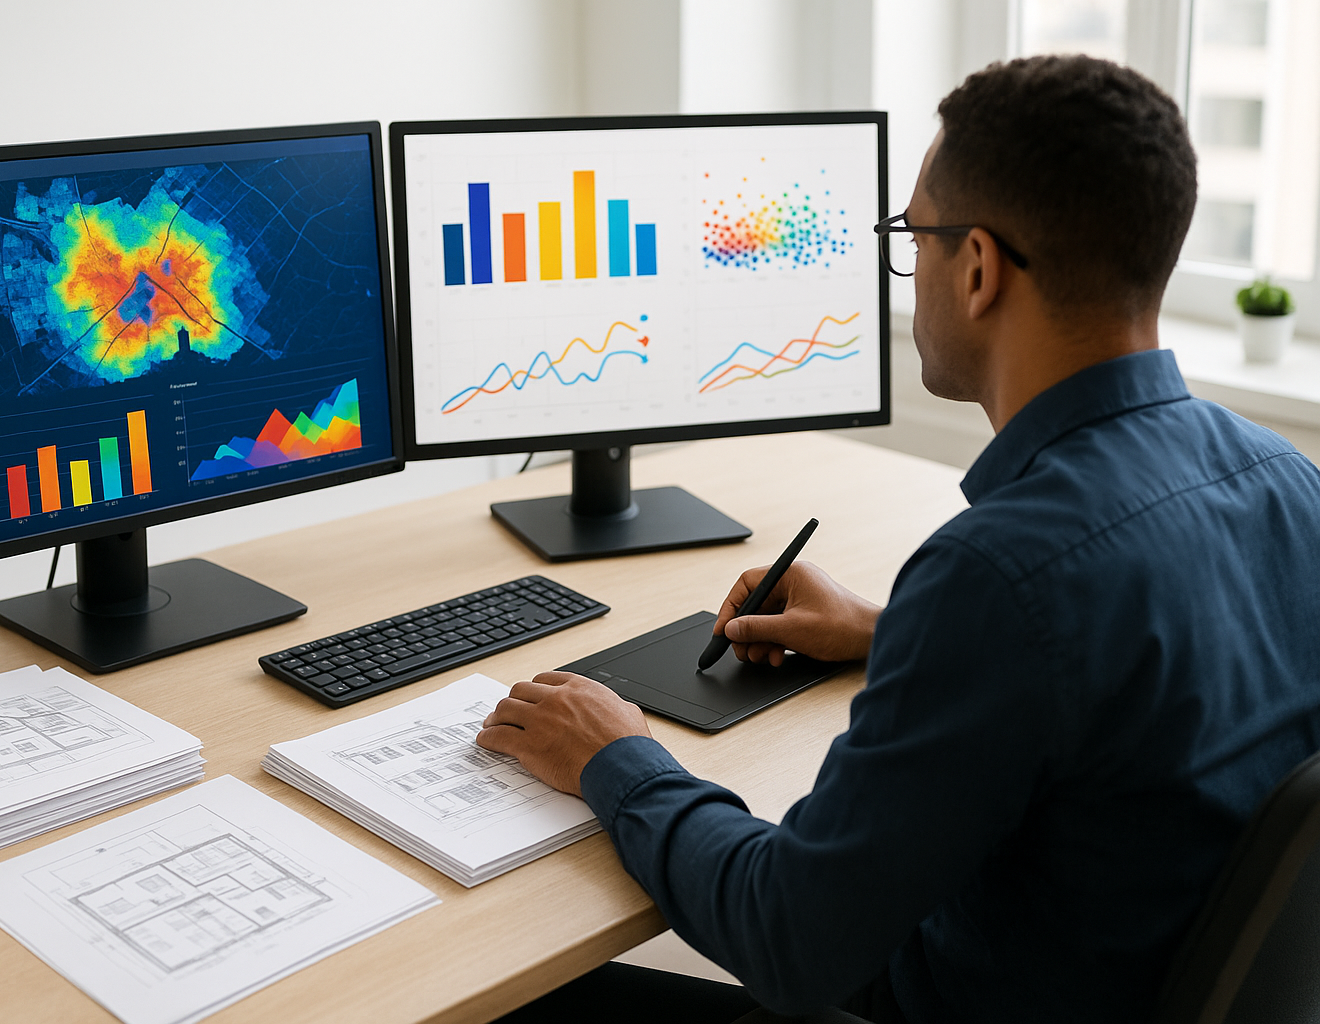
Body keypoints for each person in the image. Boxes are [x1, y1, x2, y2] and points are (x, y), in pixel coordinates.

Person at [478, 55, 1320, 1024]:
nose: (907, 262)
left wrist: (614, 756)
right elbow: (1136, 692)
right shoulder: (1287, 480)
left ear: (975, 268)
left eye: (911, 234)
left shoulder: (999, 573)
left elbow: (787, 938)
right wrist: (886, 629)